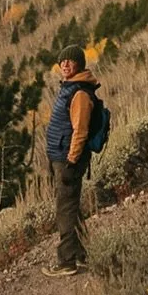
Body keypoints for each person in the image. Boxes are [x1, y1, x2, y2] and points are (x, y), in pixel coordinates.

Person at [44, 46, 102, 276]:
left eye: (70, 61)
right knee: (71, 208)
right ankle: (81, 255)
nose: (65, 65)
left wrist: (71, 160)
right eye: (62, 61)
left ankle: (67, 261)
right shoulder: (71, 88)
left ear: (79, 64)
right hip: (61, 157)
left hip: (68, 160)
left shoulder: (79, 93)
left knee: (65, 210)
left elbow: (80, 131)